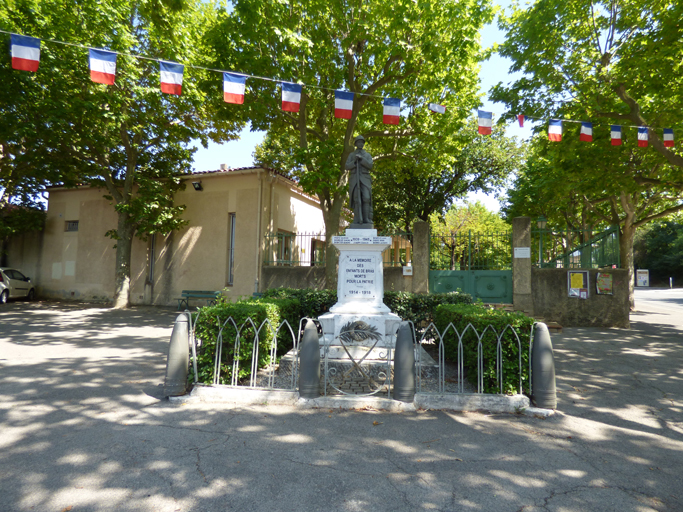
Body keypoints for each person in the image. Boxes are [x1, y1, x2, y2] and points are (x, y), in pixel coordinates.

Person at [345, 135, 374, 225]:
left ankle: (366, 219)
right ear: (356, 144)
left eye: (362, 142)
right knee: (357, 199)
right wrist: (354, 161)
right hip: (355, 179)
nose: (360, 144)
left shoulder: (367, 155)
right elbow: (346, 166)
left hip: (365, 179)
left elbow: (370, 165)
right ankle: (357, 219)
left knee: (366, 198)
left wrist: (362, 159)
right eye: (359, 142)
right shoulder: (352, 155)